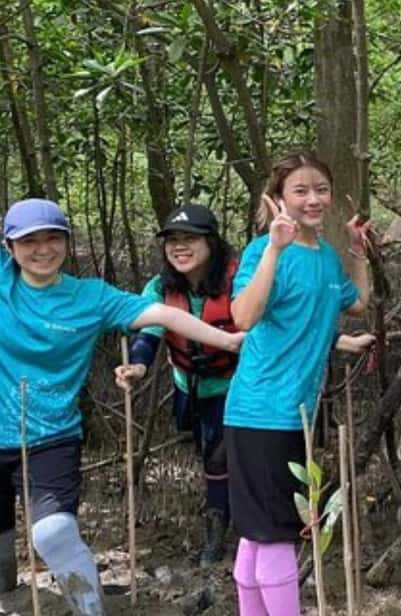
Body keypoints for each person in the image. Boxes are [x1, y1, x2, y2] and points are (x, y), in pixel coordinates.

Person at [0, 198, 243, 615]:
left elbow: (162, 314)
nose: (42, 250)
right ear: (9, 247)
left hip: (49, 436)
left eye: (52, 239)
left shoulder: (90, 297)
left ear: (66, 242)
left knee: (54, 534)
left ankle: (90, 610)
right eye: (29, 242)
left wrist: (227, 340)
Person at [112, 204, 374, 568]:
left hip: (241, 387)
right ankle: (235, 526)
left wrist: (338, 340)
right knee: (211, 457)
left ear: (212, 242)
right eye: (172, 241)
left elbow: (287, 324)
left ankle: (223, 534)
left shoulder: (241, 274)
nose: (180, 248)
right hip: (190, 387)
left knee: (224, 456)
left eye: (190, 239)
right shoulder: (160, 287)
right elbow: (151, 331)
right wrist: (138, 365)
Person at [225, 151, 371, 616]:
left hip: (296, 411)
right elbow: (242, 316)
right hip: (261, 410)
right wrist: (273, 248)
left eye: (320, 190)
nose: (313, 199)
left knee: (257, 534)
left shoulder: (326, 258)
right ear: (277, 199)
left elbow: (357, 303)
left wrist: (356, 253)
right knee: (276, 533)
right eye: (300, 191)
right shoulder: (262, 252)